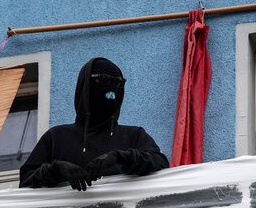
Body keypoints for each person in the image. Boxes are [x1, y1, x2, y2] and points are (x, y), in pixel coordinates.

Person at [19, 58, 169, 191]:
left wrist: (120, 157)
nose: (111, 89)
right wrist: (56, 169)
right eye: (103, 80)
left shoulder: (134, 136)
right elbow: (26, 182)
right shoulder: (56, 138)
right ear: (86, 86)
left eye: (118, 83)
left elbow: (161, 163)